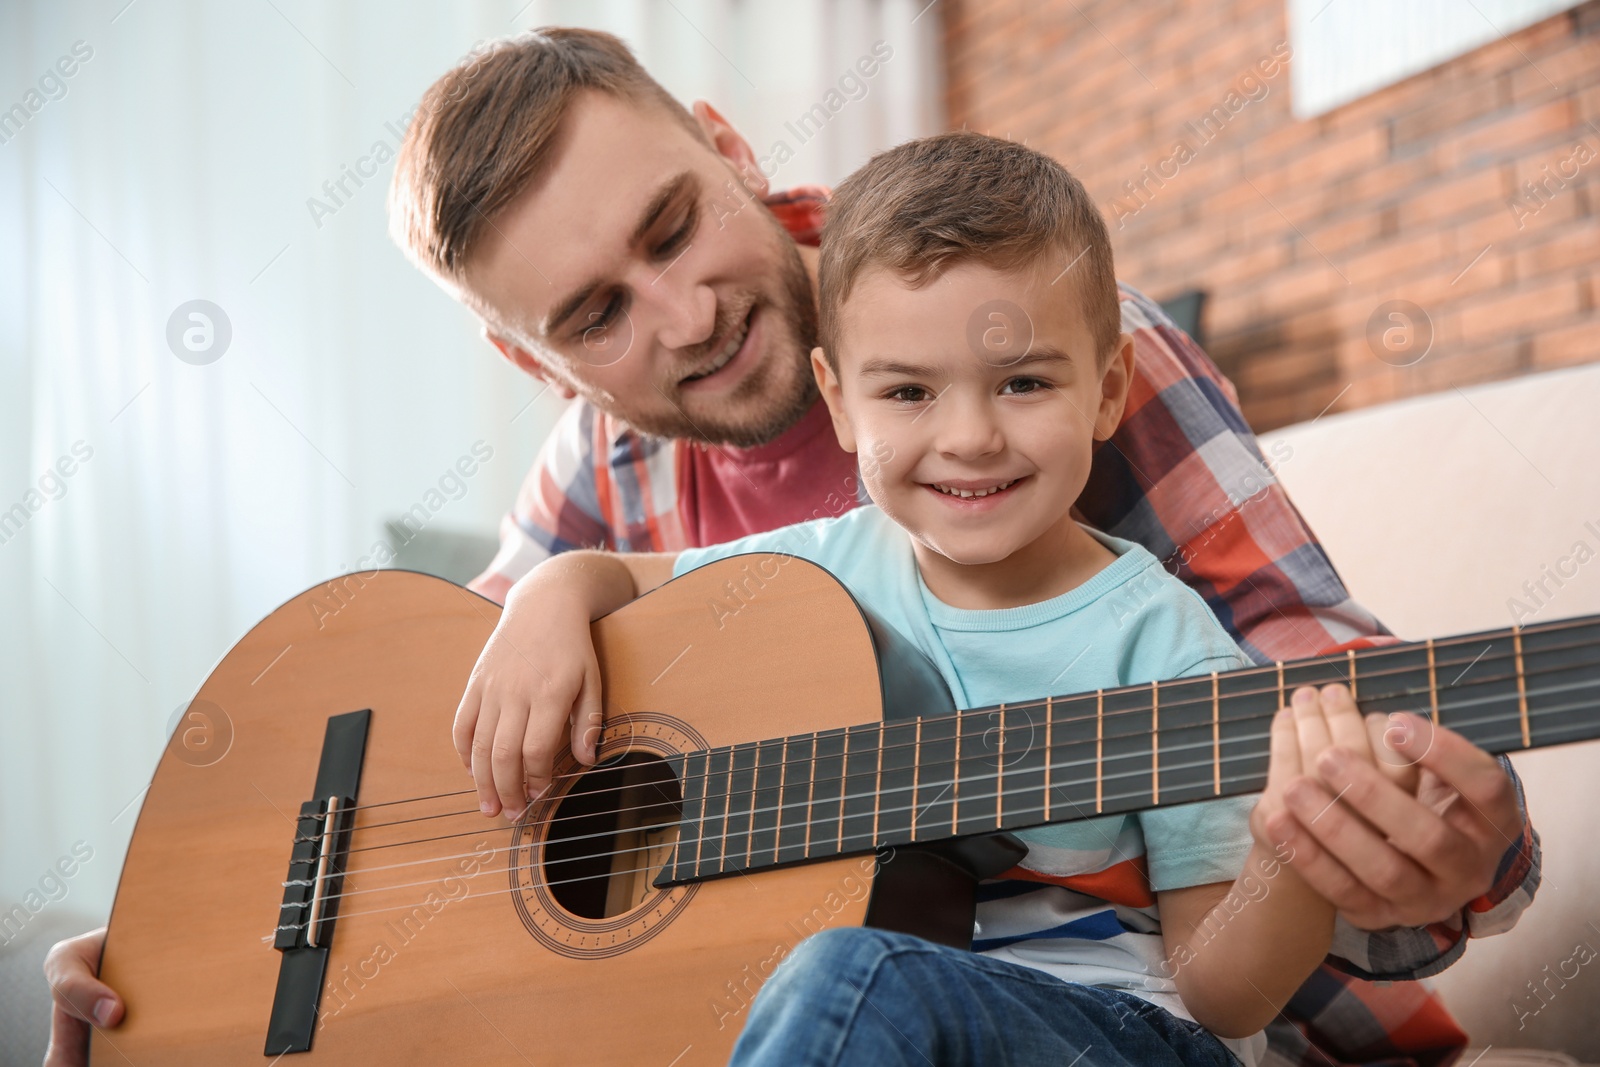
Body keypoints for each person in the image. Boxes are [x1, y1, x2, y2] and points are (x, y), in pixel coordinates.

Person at [44, 27, 1537, 1067]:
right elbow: (430, 792)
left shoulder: (1028, 341)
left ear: (731, 145)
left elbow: (1313, 690)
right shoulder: (603, 472)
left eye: (674, 225)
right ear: (538, 370)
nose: (682, 313)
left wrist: (1431, 832)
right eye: (596, 313)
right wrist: (198, 944)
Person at [454, 129, 1440, 1066]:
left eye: (1019, 382)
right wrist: (548, 591)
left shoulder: (1162, 642)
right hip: (887, 1020)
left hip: (1126, 1029)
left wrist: (1289, 858)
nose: (968, 436)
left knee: (851, 973)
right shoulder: (814, 571)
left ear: (1105, 389)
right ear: (839, 403)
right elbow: (618, 579)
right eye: (909, 394)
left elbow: (1223, 996)